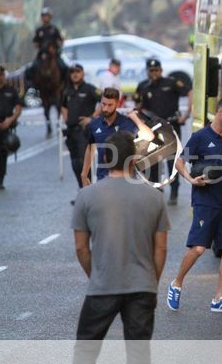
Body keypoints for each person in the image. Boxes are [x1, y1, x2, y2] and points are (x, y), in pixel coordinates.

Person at [71, 131, 169, 364]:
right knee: (138, 354)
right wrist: (151, 283)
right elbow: (161, 249)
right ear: (134, 161)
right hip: (141, 286)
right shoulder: (155, 197)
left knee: (85, 351)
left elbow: (81, 248)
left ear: (104, 159)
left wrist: (95, 275)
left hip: (102, 285)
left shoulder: (86, 196)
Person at [166, 96, 222, 312]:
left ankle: (219, 298)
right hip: (205, 201)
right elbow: (179, 162)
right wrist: (190, 179)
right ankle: (176, 283)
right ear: (220, 113)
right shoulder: (200, 137)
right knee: (198, 248)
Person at [135, 58, 192, 205]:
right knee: (152, 160)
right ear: (147, 71)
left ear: (161, 70)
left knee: (172, 160)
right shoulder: (143, 86)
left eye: (156, 70)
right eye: (151, 70)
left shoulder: (171, 82)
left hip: (170, 126)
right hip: (152, 128)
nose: (154, 73)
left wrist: (186, 115)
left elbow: (190, 91)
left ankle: (174, 191)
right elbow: (138, 106)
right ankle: (156, 189)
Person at [81, 88, 154, 186]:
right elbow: (90, 149)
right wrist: (84, 174)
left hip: (127, 179)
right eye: (103, 104)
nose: (106, 108)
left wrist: (136, 119)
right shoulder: (94, 124)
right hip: (103, 178)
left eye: (110, 105)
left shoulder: (127, 123)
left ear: (117, 104)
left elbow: (150, 136)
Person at [61, 63, 102, 195]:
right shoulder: (67, 90)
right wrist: (65, 116)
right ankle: (82, 189)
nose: (75, 74)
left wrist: (92, 118)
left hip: (83, 132)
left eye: (77, 71)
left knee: (83, 161)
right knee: (74, 163)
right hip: (71, 131)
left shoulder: (89, 89)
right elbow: (63, 105)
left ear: (83, 73)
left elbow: (103, 101)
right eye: (72, 72)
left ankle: (88, 191)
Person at [0, 65, 22, 190]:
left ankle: (0, 179)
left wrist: (10, 120)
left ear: (4, 76)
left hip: (6, 124)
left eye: (0, 75)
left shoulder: (11, 90)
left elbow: (18, 108)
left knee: (3, 152)